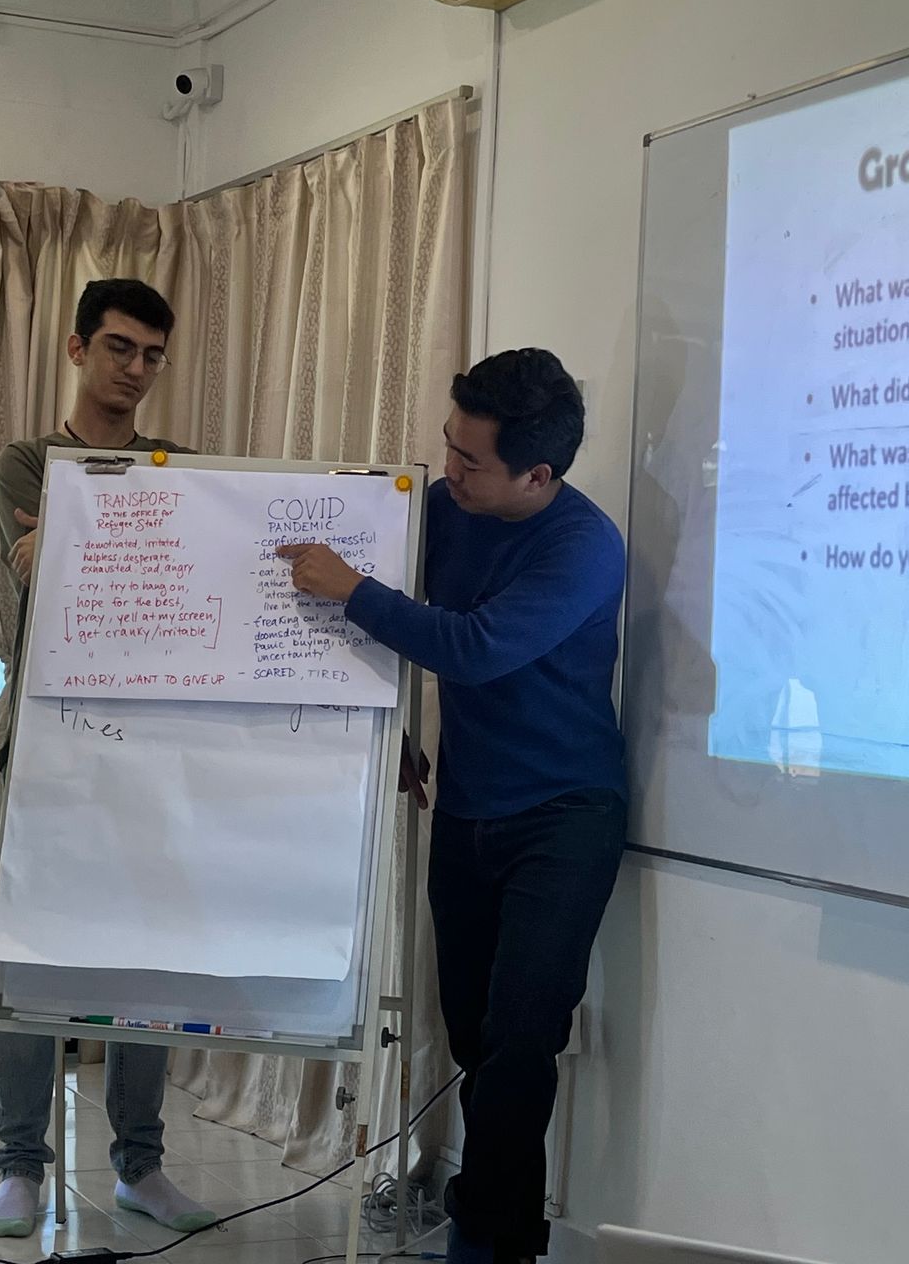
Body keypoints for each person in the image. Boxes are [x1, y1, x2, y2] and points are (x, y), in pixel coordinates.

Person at [278, 348, 627, 1264]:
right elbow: (388, 618)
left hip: (564, 816)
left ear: (537, 475)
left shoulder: (584, 548)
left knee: (520, 1043)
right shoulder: (447, 508)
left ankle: (489, 1240)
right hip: (467, 806)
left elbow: (471, 648)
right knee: (471, 1031)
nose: (450, 472)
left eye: (470, 461)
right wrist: (389, 730)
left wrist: (354, 591)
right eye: (449, 446)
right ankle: (485, 1222)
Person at [0, 279, 218, 1239]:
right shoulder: (27, 460)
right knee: (30, 954)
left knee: (145, 960)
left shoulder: (181, 467)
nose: (136, 369)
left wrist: (80, 540)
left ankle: (140, 1166)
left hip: (150, 746)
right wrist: (111, 545)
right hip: (45, 743)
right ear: (77, 349)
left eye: (152, 354)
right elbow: (48, 571)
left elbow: (181, 580)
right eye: (119, 347)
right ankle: (20, 1167)